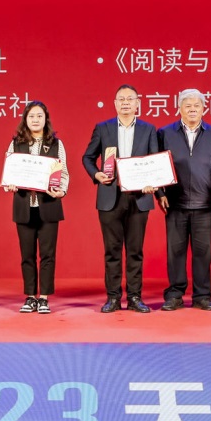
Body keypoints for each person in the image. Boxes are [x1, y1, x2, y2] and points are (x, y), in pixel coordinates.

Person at [82, 84, 159, 314]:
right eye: (121, 99)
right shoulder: (103, 128)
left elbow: (155, 161)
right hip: (110, 196)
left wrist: (153, 182)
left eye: (130, 99)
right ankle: (113, 298)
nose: (125, 103)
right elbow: (87, 157)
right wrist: (96, 174)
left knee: (135, 251)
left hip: (139, 197)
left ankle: (135, 297)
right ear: (115, 104)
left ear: (137, 104)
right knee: (112, 251)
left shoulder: (148, 129)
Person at [157, 89, 211, 311]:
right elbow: (155, 164)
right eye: (187, 106)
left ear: (204, 109)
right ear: (179, 108)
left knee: (203, 253)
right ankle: (175, 295)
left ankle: (202, 296)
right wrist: (160, 194)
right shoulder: (164, 133)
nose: (192, 110)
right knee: (175, 252)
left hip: (204, 203)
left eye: (197, 106)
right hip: (174, 202)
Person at [4, 101, 69, 315]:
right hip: (24, 205)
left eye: (39, 116)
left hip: (48, 205)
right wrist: (10, 184)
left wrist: (61, 191)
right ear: (25, 119)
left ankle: (44, 298)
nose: (35, 120)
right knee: (27, 255)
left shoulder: (56, 144)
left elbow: (63, 173)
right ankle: (30, 296)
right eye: (31, 116)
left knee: (48, 254)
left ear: (45, 119)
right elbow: (9, 172)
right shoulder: (16, 143)